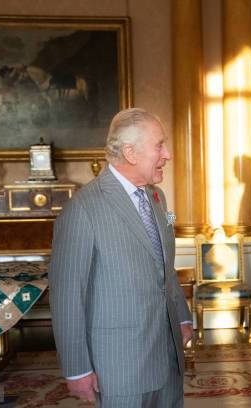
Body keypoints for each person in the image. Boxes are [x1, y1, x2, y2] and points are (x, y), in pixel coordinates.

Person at [48, 107, 193, 407]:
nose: (167, 155)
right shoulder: (83, 209)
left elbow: (165, 266)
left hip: (168, 357)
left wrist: (181, 316)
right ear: (130, 152)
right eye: (159, 146)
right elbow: (67, 296)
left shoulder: (158, 198)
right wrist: (77, 369)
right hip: (120, 367)